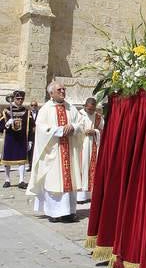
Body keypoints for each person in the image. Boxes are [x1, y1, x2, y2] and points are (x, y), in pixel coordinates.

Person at [27, 81, 83, 223]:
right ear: (51, 93)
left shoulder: (71, 107)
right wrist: (59, 130)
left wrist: (73, 128)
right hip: (53, 153)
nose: (63, 91)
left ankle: (69, 212)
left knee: (69, 181)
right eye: (59, 90)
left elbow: (81, 123)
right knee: (54, 183)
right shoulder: (46, 109)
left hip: (68, 152)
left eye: (64, 89)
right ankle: (54, 213)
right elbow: (41, 129)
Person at [0, 90, 34, 189]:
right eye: (18, 99)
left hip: (22, 139)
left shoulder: (27, 112)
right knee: (7, 160)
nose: (20, 101)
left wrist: (30, 140)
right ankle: (7, 180)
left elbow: (32, 127)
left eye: (22, 99)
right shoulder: (6, 111)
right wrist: (7, 124)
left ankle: (22, 180)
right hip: (10, 138)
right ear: (14, 99)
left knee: (22, 160)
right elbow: (0, 127)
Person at [77, 97, 104, 203]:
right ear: (85, 106)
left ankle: (91, 194)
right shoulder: (79, 115)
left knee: (93, 168)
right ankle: (80, 196)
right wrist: (83, 131)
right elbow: (74, 128)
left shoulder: (98, 117)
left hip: (94, 145)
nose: (91, 111)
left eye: (93, 109)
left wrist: (95, 131)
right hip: (82, 145)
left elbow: (103, 129)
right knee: (82, 167)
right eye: (89, 109)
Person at [28, 101, 39, 169]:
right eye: (32, 105)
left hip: (38, 134)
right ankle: (30, 165)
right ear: (30, 106)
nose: (33, 107)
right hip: (30, 135)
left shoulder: (40, 113)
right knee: (30, 150)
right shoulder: (28, 114)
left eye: (35, 105)